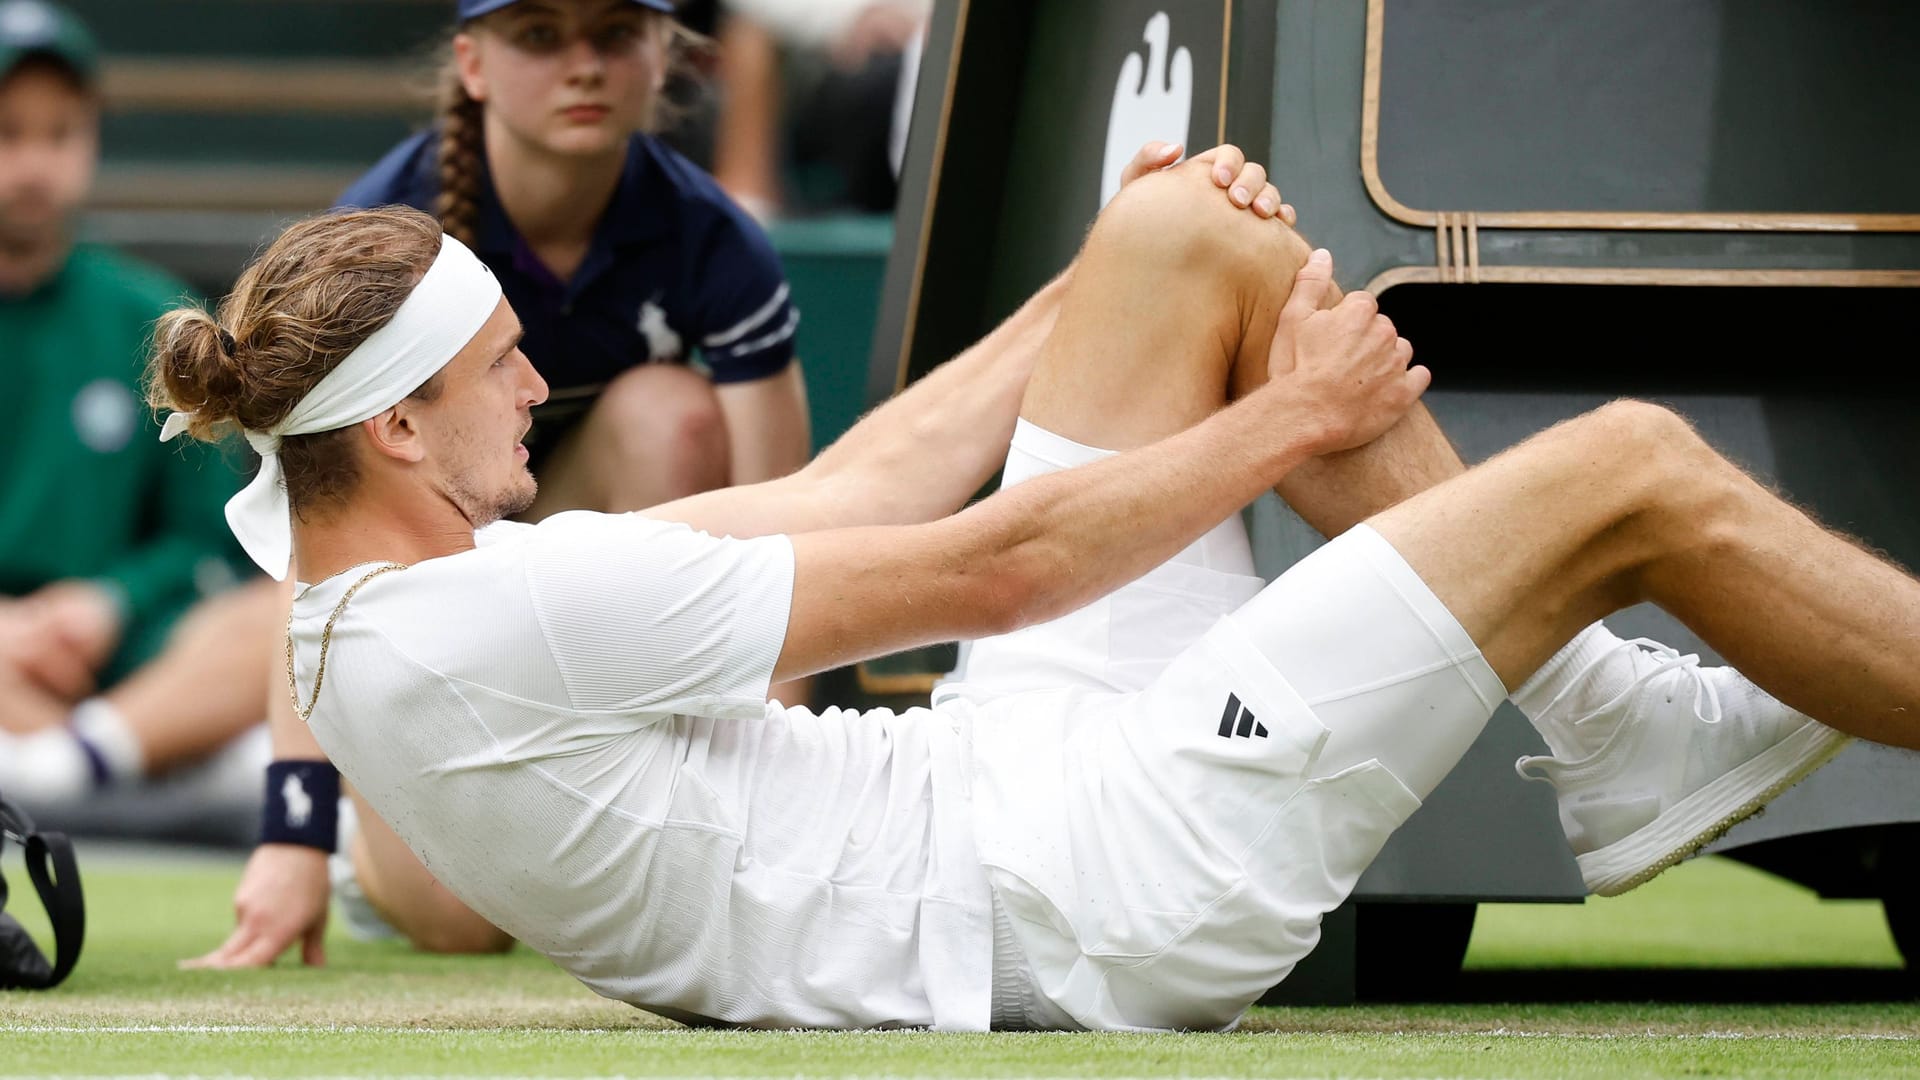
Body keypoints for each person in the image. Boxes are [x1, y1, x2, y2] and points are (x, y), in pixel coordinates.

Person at [156, 150, 1912, 1030]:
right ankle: (1613, 722)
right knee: (1629, 465)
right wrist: (1303, 411)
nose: (542, 389)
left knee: (1184, 242)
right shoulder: (497, 619)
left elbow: (855, 486)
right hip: (1089, 892)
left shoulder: (369, 559)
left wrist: (1092, 269)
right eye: (501, 373)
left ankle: (1612, 728)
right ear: (393, 428)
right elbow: (993, 569)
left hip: (1014, 783)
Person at [339, 0, 811, 520]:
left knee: (671, 413)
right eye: (540, 34)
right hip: (421, 547)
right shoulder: (376, 241)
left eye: (616, 33)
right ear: (473, 65)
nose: (586, 69)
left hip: (589, 539)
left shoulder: (715, 237)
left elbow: (778, 513)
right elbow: (334, 502)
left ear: (662, 56)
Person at [0, 0, 273, 809]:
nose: (34, 164)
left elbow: (213, 531)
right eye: (8, 132)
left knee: (285, 613)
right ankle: (150, 774)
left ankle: (60, 769)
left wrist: (109, 602)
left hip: (124, 657)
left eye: (60, 134)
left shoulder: (152, 316)